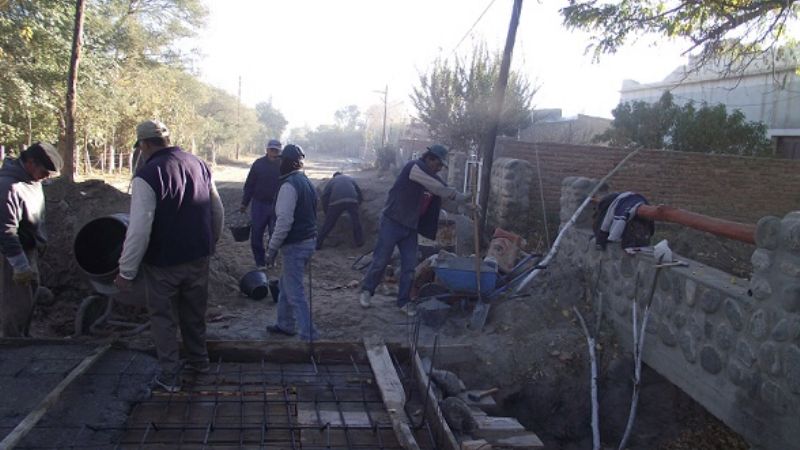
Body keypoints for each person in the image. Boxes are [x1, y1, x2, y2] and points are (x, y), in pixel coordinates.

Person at [114, 120, 224, 393]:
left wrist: (126, 272)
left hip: (164, 264)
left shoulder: (147, 176)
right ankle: (200, 365)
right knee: (194, 314)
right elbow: (217, 209)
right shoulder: (199, 164)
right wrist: (210, 242)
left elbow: (139, 229)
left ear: (145, 144)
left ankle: (169, 376)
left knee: (163, 319)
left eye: (140, 146)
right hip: (198, 257)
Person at [359, 144, 471, 316]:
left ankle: (403, 301)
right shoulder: (414, 168)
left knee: (410, 266)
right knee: (381, 259)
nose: (440, 168)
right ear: (429, 158)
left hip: (411, 226)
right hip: (392, 221)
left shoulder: (433, 178)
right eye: (439, 164)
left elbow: (445, 194)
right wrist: (458, 196)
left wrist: (469, 204)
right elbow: (438, 188)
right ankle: (367, 291)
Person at [0, 142, 62, 337]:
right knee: (15, 305)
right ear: (30, 162)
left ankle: (22, 339)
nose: (45, 177)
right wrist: (19, 265)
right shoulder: (9, 187)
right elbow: (6, 229)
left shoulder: (30, 181)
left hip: (29, 250)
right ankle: (11, 348)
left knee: (27, 302)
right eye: (44, 172)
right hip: (11, 256)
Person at [264, 144, 318, 341]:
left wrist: (271, 248)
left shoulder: (288, 186)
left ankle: (309, 335)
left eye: (281, 160)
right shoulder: (305, 181)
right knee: (286, 285)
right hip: (308, 240)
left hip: (296, 244)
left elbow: (284, 221)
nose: (279, 164)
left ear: (289, 162)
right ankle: (285, 324)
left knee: (295, 292)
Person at [241, 139, 282, 269]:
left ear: (280, 151)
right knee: (256, 234)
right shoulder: (258, 164)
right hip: (259, 204)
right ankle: (260, 262)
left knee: (275, 234)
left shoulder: (284, 165)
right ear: (267, 149)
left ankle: (271, 259)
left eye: (276, 150)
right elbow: (249, 184)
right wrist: (244, 203)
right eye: (271, 149)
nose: (273, 152)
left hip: (278, 205)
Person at [316, 171, 364, 250]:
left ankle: (318, 244)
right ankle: (359, 242)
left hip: (336, 201)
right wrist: (358, 203)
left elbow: (325, 196)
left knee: (328, 224)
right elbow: (359, 192)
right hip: (352, 200)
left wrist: (326, 212)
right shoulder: (350, 178)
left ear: (334, 176)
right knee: (356, 222)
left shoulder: (332, 181)